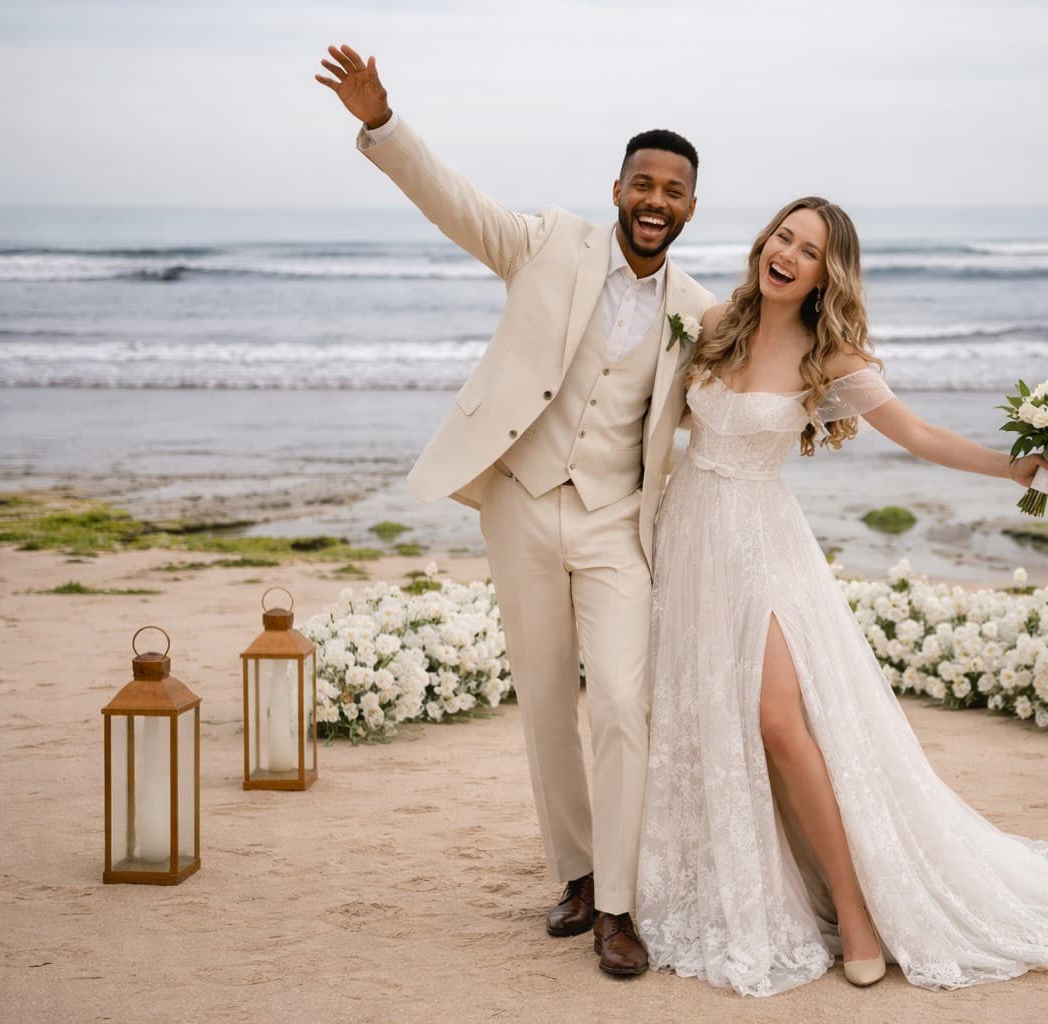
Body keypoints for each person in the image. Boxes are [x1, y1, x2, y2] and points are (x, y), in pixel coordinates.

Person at [634, 197, 1048, 995]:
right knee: (707, 717)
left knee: (778, 722)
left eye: (808, 250)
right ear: (765, 243)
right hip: (688, 536)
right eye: (783, 237)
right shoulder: (717, 321)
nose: (788, 254)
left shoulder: (828, 358)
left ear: (824, 274)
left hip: (761, 544)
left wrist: (1011, 467)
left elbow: (919, 435)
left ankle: (856, 908)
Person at [316, 44, 715, 977]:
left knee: (620, 701)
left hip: (620, 524)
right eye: (644, 183)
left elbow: (759, 384)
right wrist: (383, 122)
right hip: (523, 506)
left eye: (676, 191)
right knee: (543, 704)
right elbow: (455, 202)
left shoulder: (700, 311)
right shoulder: (546, 243)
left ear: (693, 207)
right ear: (616, 187)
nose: (657, 202)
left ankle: (619, 906)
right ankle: (576, 876)